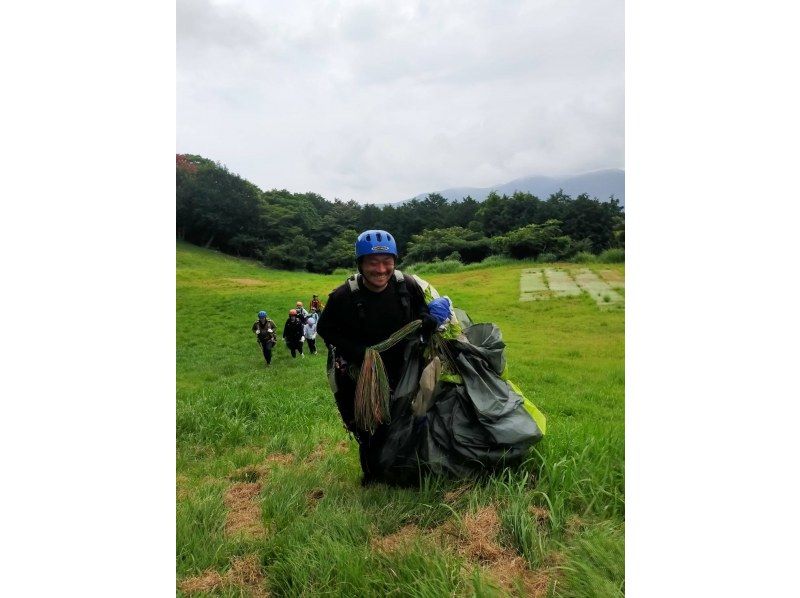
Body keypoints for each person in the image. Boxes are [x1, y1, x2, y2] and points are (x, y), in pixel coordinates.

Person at [317, 229, 444, 485]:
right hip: (360, 372)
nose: (381, 270)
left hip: (402, 367)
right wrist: (358, 351)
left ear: (395, 262)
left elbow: (420, 308)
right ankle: (373, 474)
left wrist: (427, 320)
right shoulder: (343, 296)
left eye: (387, 262)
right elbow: (325, 329)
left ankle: (402, 470)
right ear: (361, 264)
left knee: (406, 417)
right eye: (373, 263)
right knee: (367, 424)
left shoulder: (406, 285)